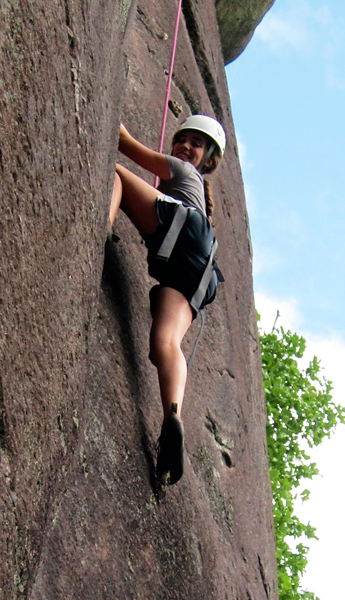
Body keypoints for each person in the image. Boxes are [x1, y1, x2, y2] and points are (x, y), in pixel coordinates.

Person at [109, 114, 226, 485]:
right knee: (165, 343)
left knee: (113, 173)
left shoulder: (185, 172)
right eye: (183, 139)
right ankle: (172, 415)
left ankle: (103, 226)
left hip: (182, 229)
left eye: (196, 143)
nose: (186, 147)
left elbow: (125, 144)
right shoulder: (199, 196)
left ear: (207, 159)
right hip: (200, 272)